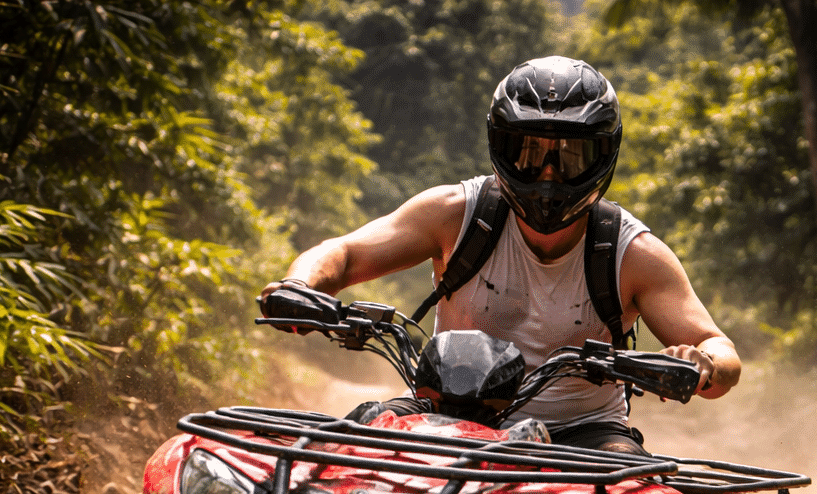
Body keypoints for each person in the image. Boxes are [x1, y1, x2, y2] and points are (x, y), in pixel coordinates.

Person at [258, 55, 740, 454]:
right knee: (346, 452)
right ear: (500, 147)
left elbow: (719, 350)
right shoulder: (454, 215)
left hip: (583, 437)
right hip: (445, 412)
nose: (548, 174)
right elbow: (340, 253)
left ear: (602, 156)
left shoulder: (631, 255)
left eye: (570, 155)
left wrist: (700, 364)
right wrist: (300, 287)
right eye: (530, 152)